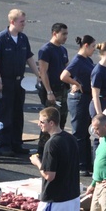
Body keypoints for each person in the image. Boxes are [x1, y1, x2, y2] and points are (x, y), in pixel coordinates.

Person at [0, 9, 40, 155]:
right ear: (12, 22)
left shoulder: (23, 38)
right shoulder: (0, 39)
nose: (24, 24)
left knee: (17, 114)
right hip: (6, 81)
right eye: (21, 22)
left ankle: (16, 143)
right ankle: (3, 145)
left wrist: (38, 74)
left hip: (19, 82)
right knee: (4, 113)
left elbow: (29, 57)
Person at [61, 35, 97, 175]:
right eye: (93, 46)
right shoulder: (77, 60)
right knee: (79, 133)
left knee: (86, 133)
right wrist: (76, 84)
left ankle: (87, 164)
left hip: (86, 98)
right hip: (79, 100)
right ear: (86, 45)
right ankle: (80, 165)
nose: (94, 49)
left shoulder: (87, 59)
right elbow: (63, 76)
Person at [37, 23, 70, 156]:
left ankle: (56, 148)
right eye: (63, 34)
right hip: (52, 92)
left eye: (66, 34)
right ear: (54, 34)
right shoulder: (46, 50)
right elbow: (43, 72)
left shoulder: (62, 50)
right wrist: (49, 92)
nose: (66, 37)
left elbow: (68, 68)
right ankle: (42, 151)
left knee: (61, 120)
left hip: (63, 91)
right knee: (48, 122)